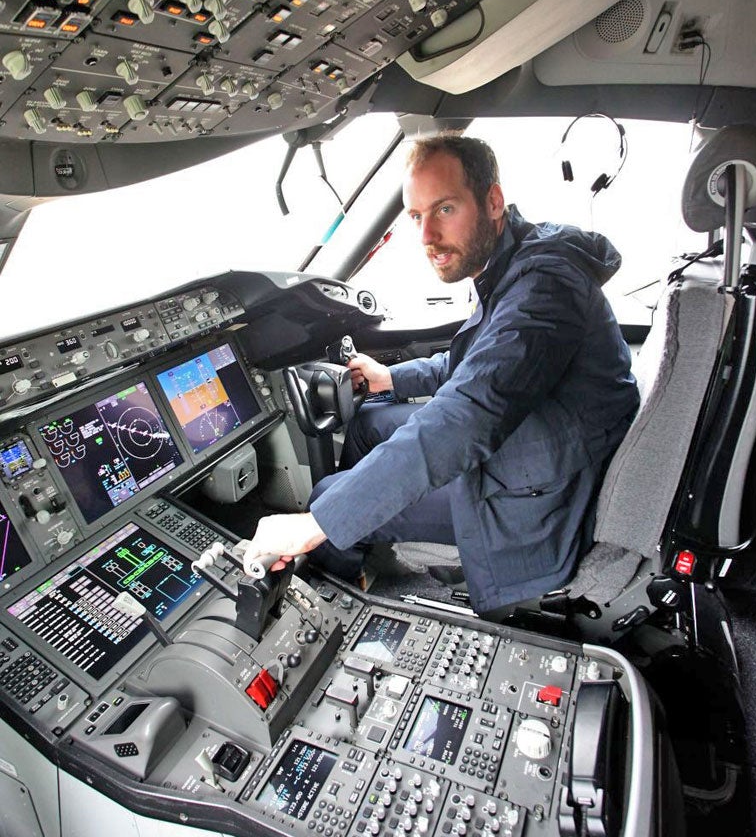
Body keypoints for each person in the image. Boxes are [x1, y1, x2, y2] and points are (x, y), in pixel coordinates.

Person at [243, 134, 639, 616]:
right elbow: (482, 363)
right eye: (416, 217)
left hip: (543, 495)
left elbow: (469, 414)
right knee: (368, 422)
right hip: (543, 439)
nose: (427, 236)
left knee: (329, 497)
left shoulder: (544, 288)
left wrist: (316, 523)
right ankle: (364, 553)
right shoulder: (513, 261)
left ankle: (336, 611)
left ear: (493, 201)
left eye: (444, 209)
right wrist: (391, 379)